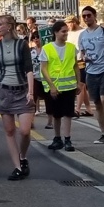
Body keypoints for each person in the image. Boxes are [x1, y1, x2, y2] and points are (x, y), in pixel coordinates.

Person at [0, 14, 36, 181]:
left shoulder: (22, 45)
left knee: (24, 131)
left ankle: (23, 157)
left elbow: (29, 69)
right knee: (9, 131)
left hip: (22, 90)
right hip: (4, 92)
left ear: (9, 26)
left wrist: (31, 91)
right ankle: (17, 167)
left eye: (0, 24)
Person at [77, 7, 104, 144]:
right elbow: (81, 53)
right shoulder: (82, 35)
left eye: (89, 15)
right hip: (90, 71)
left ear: (95, 16)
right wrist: (84, 58)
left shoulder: (103, 31)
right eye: (84, 16)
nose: (86, 18)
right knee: (97, 103)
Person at [41, 21, 79, 151]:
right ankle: (57, 138)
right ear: (56, 32)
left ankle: (67, 139)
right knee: (56, 114)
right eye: (63, 31)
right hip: (54, 87)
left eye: (66, 31)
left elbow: (75, 66)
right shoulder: (47, 48)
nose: (66, 34)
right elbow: (44, 69)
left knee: (68, 113)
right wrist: (51, 86)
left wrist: (78, 83)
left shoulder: (71, 48)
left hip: (69, 86)